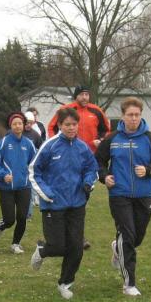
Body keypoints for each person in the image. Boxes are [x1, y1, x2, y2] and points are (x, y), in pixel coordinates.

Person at [96, 97, 151, 296]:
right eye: (130, 115)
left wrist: (149, 170)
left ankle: (117, 248)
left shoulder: (150, 139)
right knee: (128, 235)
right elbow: (98, 161)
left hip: (143, 195)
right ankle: (129, 284)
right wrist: (104, 176)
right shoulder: (112, 139)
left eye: (137, 115)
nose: (134, 118)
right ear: (123, 116)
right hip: (119, 194)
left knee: (137, 237)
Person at [29, 107, 98, 299]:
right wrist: (47, 193)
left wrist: (88, 183)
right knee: (58, 246)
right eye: (67, 124)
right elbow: (34, 171)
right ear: (60, 125)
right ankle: (42, 250)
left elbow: (92, 169)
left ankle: (65, 283)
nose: (71, 128)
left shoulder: (82, 147)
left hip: (77, 204)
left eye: (74, 124)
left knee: (76, 247)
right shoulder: (49, 146)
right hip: (53, 204)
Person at [47, 85, 110, 249]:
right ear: (76, 96)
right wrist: (56, 145)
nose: (84, 97)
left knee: (83, 195)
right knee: (66, 194)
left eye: (87, 94)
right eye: (81, 94)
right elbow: (52, 127)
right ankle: (68, 234)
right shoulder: (66, 110)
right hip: (66, 159)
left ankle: (77, 236)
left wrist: (101, 141)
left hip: (88, 160)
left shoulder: (96, 111)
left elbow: (106, 130)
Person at [0, 112, 37, 254]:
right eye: (14, 124)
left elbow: (35, 162)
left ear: (23, 125)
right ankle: (1, 227)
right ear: (11, 125)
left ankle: (15, 244)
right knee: (9, 219)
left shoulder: (28, 144)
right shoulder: (4, 142)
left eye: (20, 123)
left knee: (22, 217)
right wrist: (3, 175)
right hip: (6, 187)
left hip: (24, 186)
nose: (17, 126)